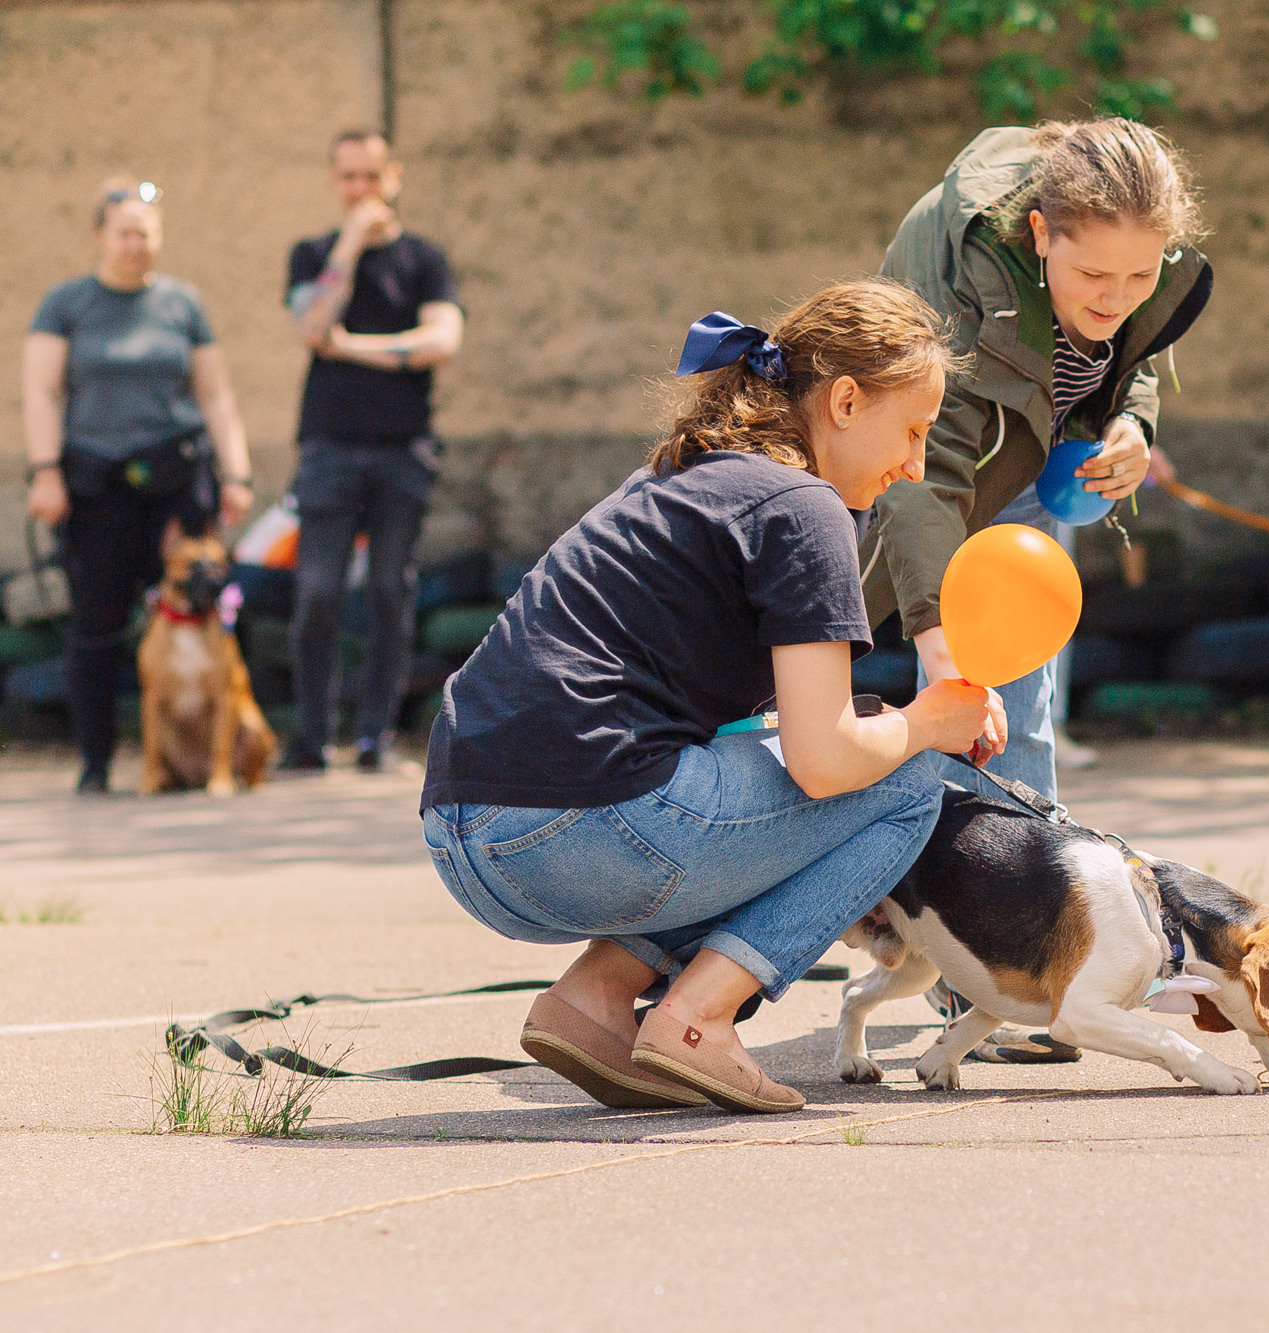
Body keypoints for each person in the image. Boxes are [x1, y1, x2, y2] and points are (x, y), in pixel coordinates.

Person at [421, 281, 999, 1114]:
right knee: (904, 784)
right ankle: (698, 1016)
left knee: (841, 759)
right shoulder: (806, 506)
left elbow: (753, 735)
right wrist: (928, 721)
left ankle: (594, 1002)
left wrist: (887, 727)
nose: (914, 465)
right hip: (574, 830)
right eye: (912, 431)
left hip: (463, 829)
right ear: (843, 401)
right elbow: (825, 758)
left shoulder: (687, 473)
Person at [866, 117, 1211, 800]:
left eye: (1140, 273)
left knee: (1016, 712)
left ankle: (1027, 878)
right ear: (1040, 234)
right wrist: (940, 653)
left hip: (1023, 464)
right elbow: (924, 478)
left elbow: (1133, 347)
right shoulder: (962, 294)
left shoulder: (1135, 267)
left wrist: (1131, 423)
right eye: (1092, 275)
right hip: (907, 465)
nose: (1115, 297)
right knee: (941, 685)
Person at [22, 177, 254, 794]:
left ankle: (217, 761)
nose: (135, 245)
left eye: (146, 234)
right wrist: (45, 473)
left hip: (176, 483)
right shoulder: (65, 303)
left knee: (203, 615)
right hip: (95, 485)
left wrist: (236, 472)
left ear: (159, 238)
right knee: (96, 626)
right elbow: (41, 392)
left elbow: (215, 394)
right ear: (100, 235)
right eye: (124, 233)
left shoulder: (183, 303)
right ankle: (96, 764)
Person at [281, 129, 465, 773]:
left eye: (370, 176)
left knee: (391, 591)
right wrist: (352, 242)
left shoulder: (425, 261)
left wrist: (350, 346)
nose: (359, 189)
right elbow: (311, 326)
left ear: (394, 177)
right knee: (317, 594)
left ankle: (375, 741)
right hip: (328, 449)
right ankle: (310, 741)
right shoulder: (311, 254)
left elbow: (442, 341)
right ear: (335, 181)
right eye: (347, 177)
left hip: (401, 453)